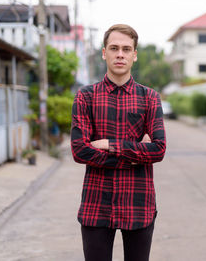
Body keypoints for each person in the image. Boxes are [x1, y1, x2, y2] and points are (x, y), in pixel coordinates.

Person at [71, 24, 166, 261]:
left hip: (138, 203)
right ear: (104, 53)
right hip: (96, 204)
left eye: (126, 49)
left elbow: (158, 149)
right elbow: (80, 151)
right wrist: (136, 153)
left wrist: (109, 144)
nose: (120, 54)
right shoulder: (86, 96)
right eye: (114, 48)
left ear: (135, 55)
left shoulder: (150, 98)